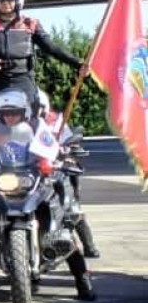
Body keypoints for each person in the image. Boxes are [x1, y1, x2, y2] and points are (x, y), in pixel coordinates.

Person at [0, 89, 96, 300]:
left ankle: (84, 283)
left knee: (64, 235)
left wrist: (54, 160)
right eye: (6, 112)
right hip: (6, 180)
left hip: (33, 180)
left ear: (24, 112)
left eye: (14, 112)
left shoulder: (36, 130)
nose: (10, 116)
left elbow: (51, 148)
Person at [37, 90, 98, 258]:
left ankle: (88, 245)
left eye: (38, 106)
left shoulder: (56, 121)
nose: (35, 110)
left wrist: (67, 151)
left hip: (55, 166)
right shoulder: (22, 124)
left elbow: (69, 141)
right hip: (32, 170)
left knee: (71, 207)